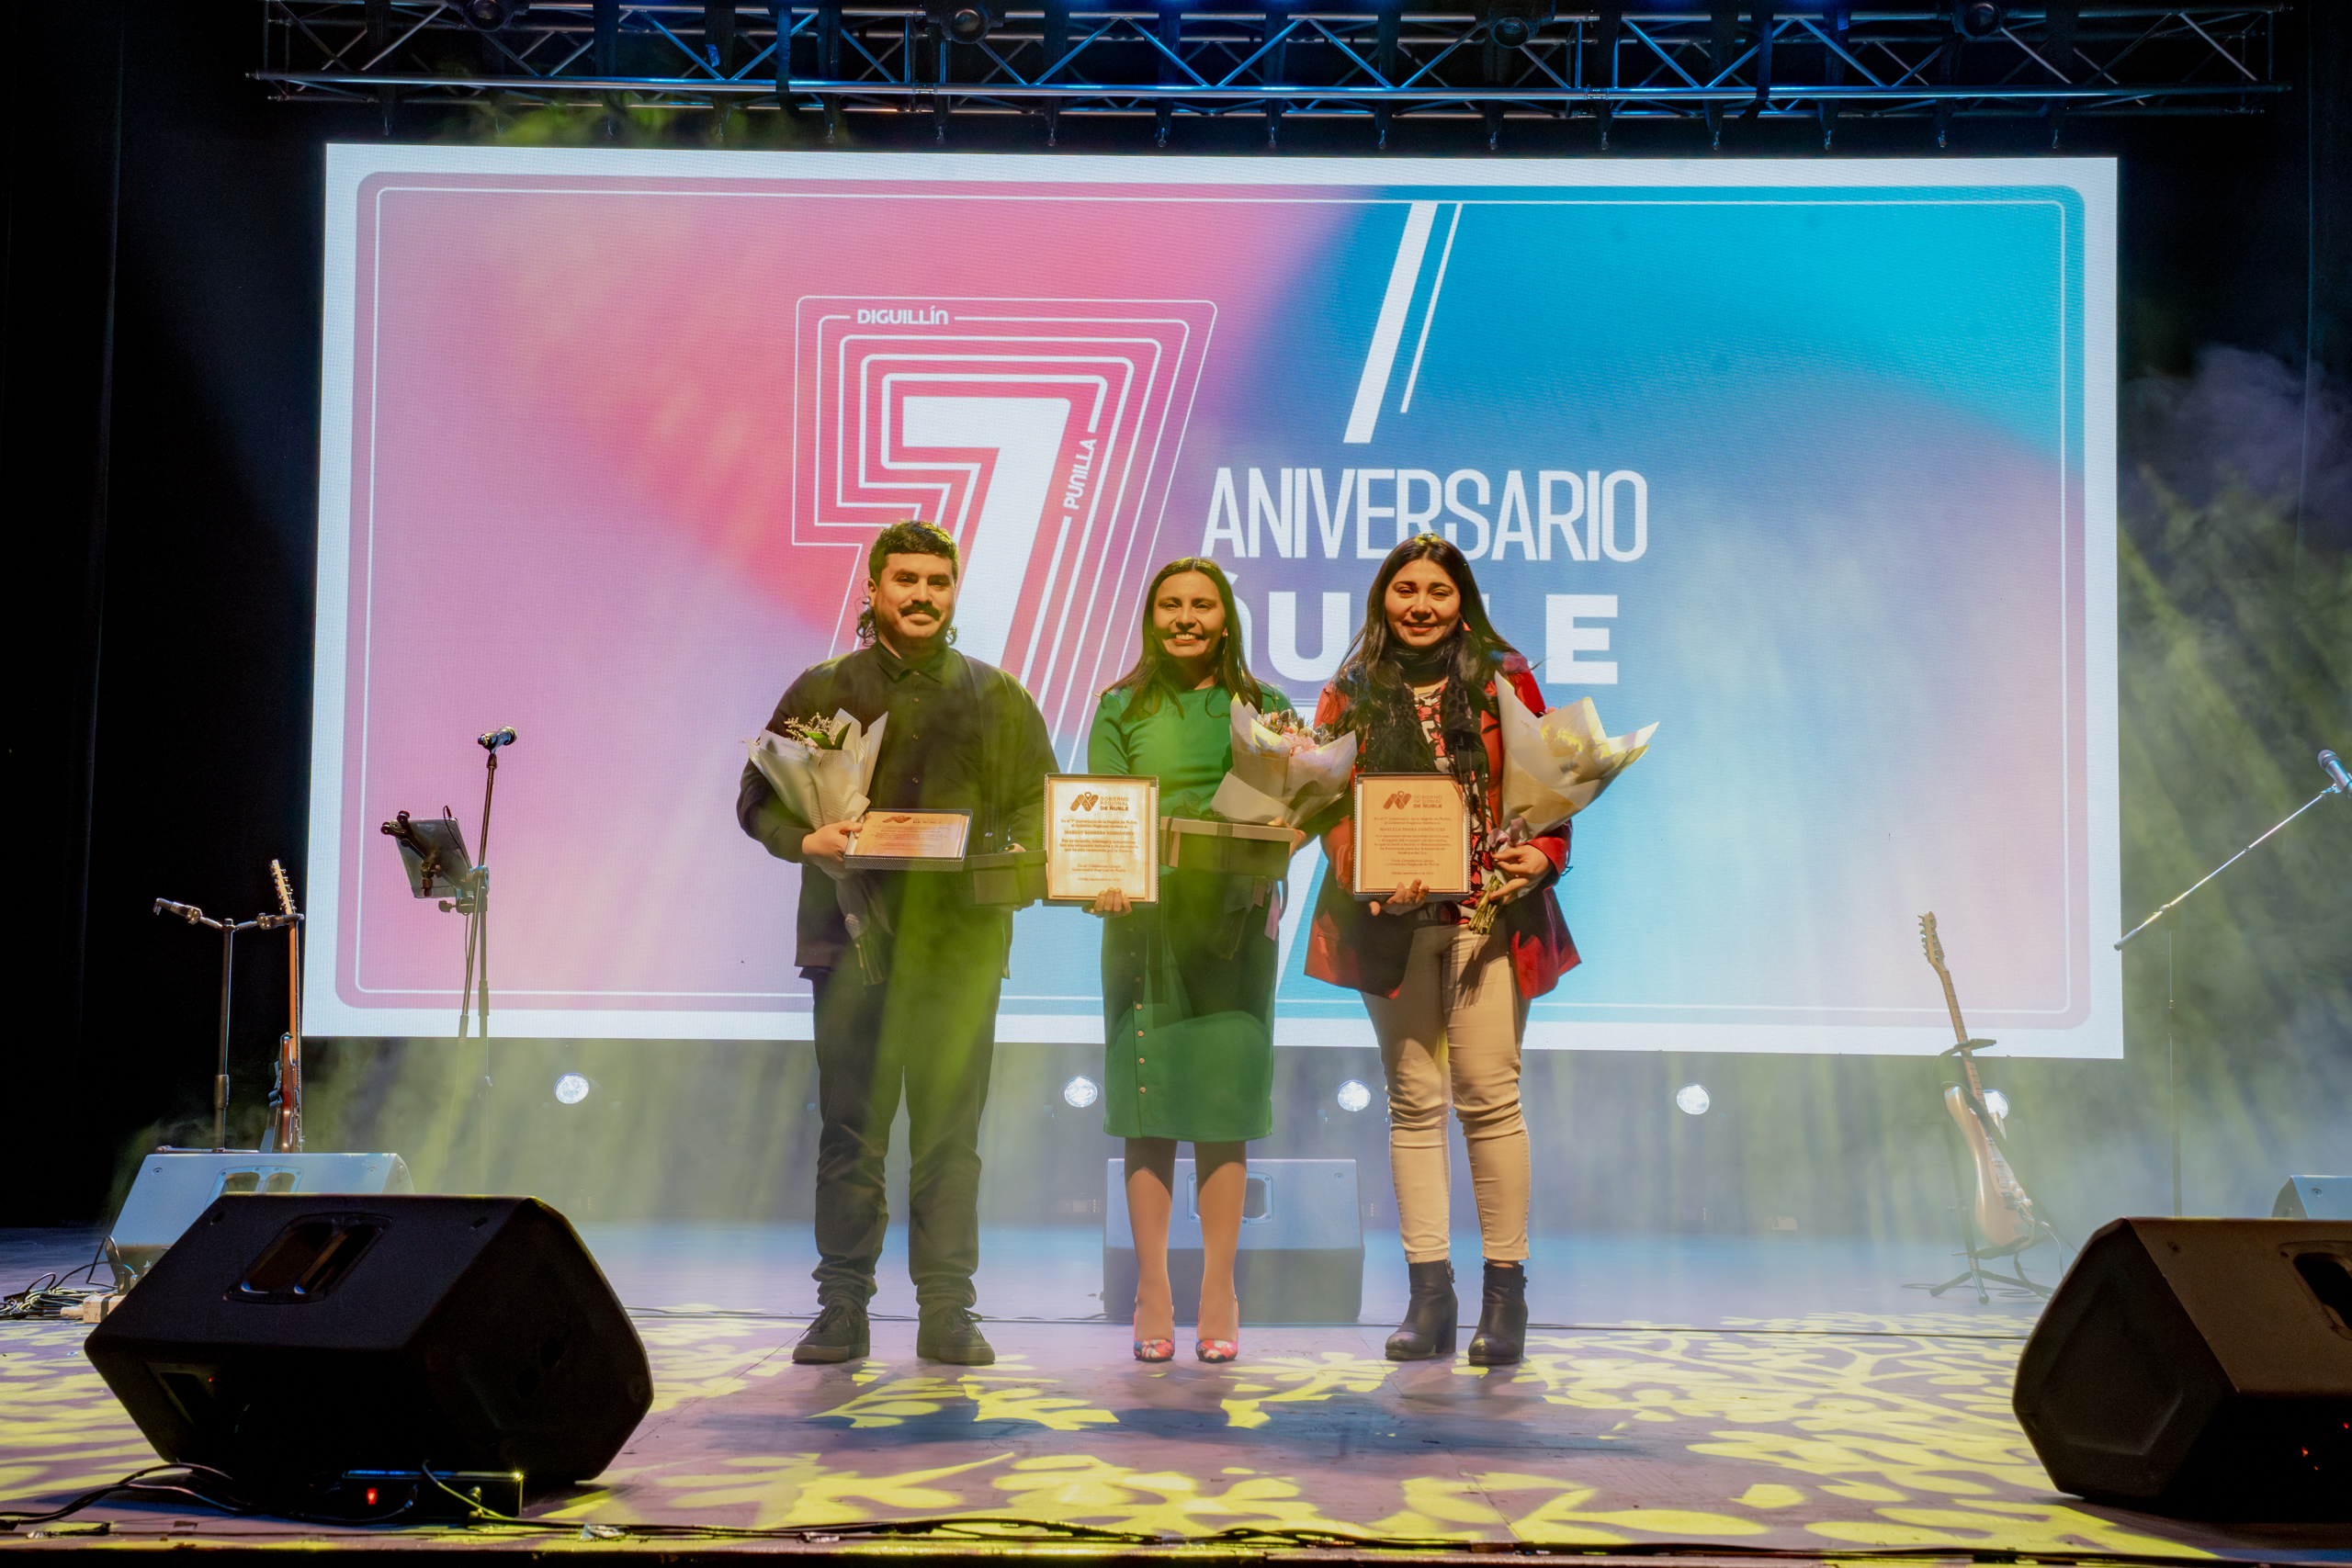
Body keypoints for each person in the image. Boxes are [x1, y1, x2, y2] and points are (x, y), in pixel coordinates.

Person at [737, 519, 1056, 1367]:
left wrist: (1025, 856)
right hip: (850, 947)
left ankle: (948, 1310)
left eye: (937, 581)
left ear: (954, 592)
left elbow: (1041, 804)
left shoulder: (998, 696)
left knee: (950, 1135)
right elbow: (755, 799)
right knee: (851, 1131)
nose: (921, 595)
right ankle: (842, 1305)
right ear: (872, 588)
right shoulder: (821, 689)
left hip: (961, 950)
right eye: (905, 579)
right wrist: (803, 840)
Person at [1304, 534, 1578, 1367]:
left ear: (1464, 603)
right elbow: (1327, 805)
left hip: (1487, 915)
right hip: (1387, 920)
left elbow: (1551, 790)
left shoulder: (1504, 678)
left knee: (1488, 1097)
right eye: (1405, 589)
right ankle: (1429, 1297)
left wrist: (1545, 854)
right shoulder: (1348, 690)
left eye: (1438, 590)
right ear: (1382, 599)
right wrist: (1362, 871)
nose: (1420, 604)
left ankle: (1505, 1295)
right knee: (1413, 1101)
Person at [1084, 558, 1295, 1364]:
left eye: (1201, 604)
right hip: (1144, 926)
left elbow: (1296, 805)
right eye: (1169, 604)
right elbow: (1100, 810)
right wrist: (1103, 873)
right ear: (1150, 617)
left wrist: (1282, 838)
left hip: (1234, 928)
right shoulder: (1120, 705)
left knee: (1222, 1109)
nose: (1185, 618)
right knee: (1148, 1111)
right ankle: (1152, 1290)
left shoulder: (1265, 705)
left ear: (1226, 617)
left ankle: (1218, 1289)